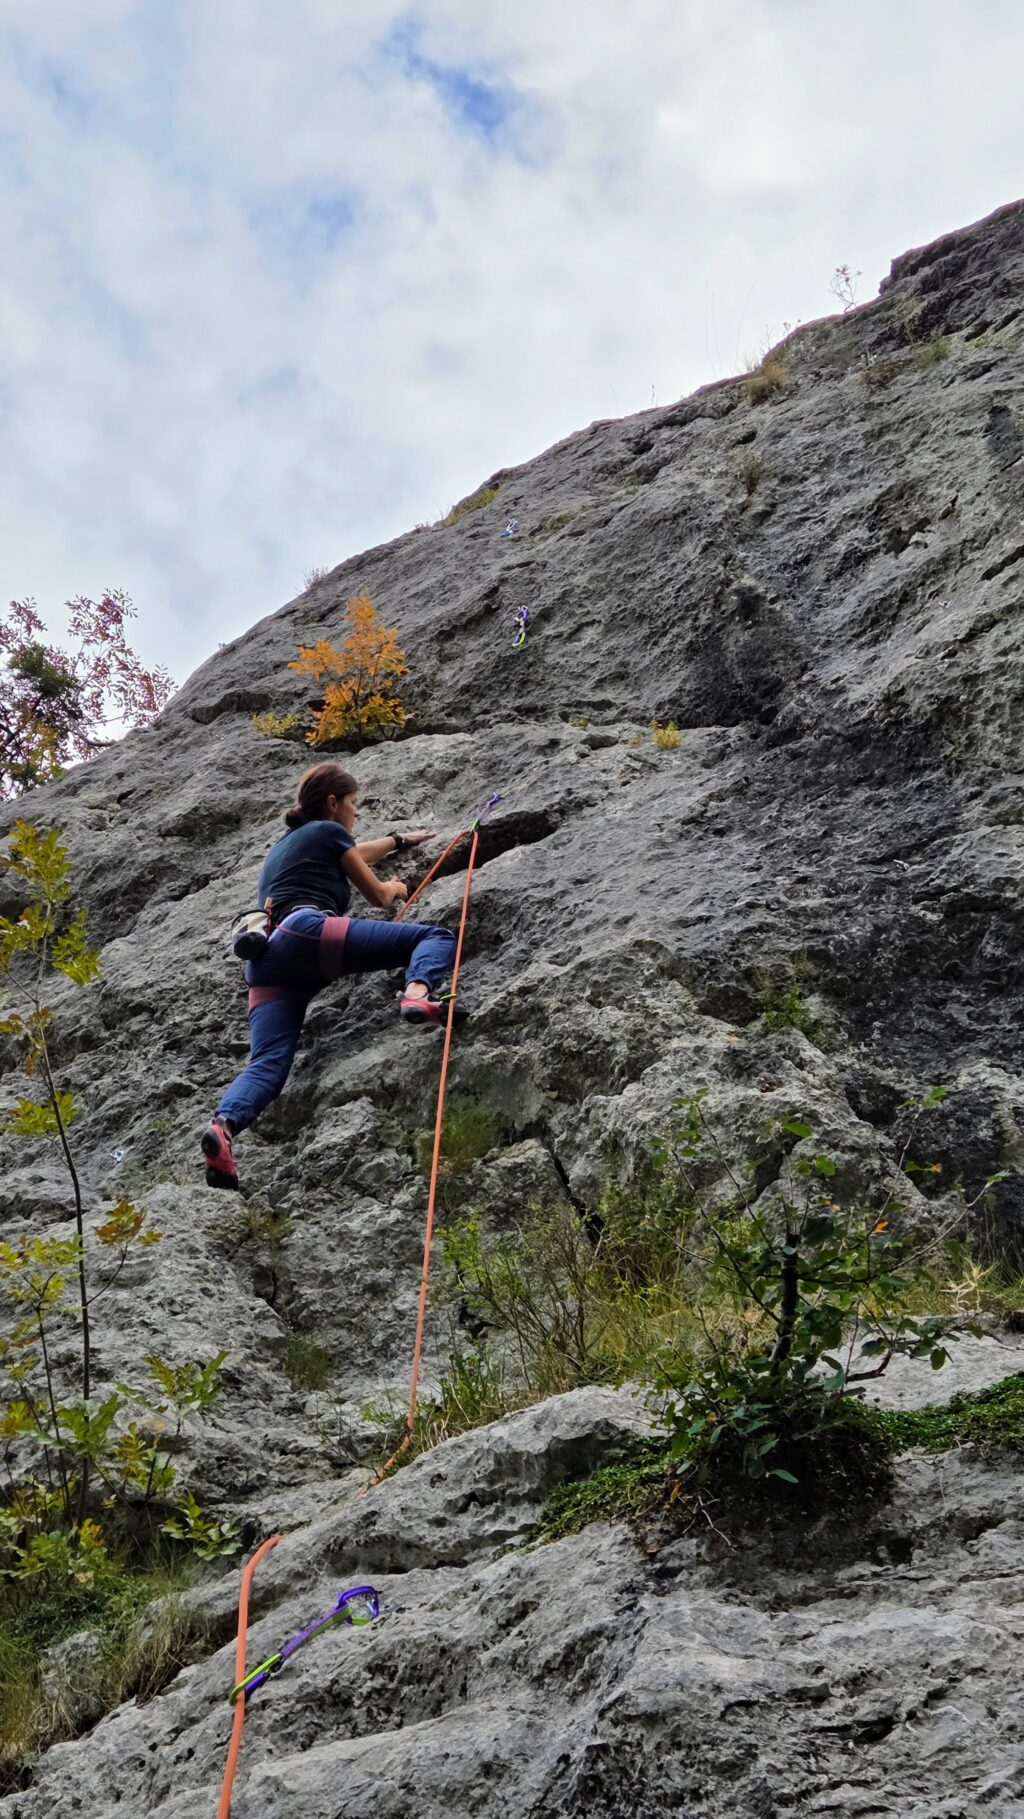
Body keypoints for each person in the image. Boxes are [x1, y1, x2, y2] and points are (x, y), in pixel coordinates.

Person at [201, 760, 468, 1190]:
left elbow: (351, 853)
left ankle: (223, 1128)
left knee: (268, 1062)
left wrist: (398, 840)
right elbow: (377, 895)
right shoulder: (329, 832)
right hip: (308, 933)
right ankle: (418, 993)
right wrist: (395, 888)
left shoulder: (281, 851)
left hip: (266, 965)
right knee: (434, 937)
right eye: (353, 803)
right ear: (332, 802)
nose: (356, 811)